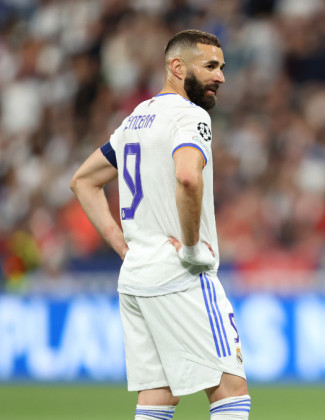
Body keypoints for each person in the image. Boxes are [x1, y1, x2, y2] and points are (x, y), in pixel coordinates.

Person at [70, 30, 251, 420]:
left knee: (157, 396)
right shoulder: (191, 117)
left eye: (221, 67)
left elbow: (83, 181)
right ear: (176, 67)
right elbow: (188, 176)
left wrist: (124, 247)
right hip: (180, 275)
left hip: (136, 277)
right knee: (230, 389)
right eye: (211, 66)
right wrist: (190, 249)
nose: (221, 76)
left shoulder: (137, 118)